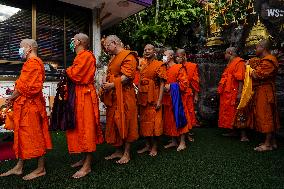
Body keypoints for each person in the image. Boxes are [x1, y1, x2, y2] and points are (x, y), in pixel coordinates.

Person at [0, 39, 52, 180]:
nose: (19, 50)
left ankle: (41, 168)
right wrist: (14, 99)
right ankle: (19, 166)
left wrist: (11, 98)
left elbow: (26, 87)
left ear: (29, 48)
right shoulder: (30, 63)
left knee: (35, 135)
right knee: (23, 135)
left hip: (31, 106)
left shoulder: (34, 63)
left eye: (21, 47)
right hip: (25, 104)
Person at [66, 33, 104, 178]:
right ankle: (83, 158)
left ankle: (87, 165)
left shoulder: (87, 56)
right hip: (78, 95)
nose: (71, 42)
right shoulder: (79, 56)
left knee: (87, 128)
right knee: (80, 127)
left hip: (86, 96)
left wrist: (67, 70)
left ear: (79, 42)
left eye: (73, 39)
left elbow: (77, 75)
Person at [101, 35, 139, 164]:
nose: (105, 48)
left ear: (114, 43)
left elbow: (127, 76)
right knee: (114, 122)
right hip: (113, 95)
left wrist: (112, 84)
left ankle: (127, 153)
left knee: (126, 121)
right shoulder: (113, 58)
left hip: (125, 94)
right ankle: (118, 150)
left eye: (107, 45)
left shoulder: (129, 55)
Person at [136, 44, 167, 156]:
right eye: (145, 50)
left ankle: (154, 147)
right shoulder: (142, 65)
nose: (147, 51)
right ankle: (147, 145)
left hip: (154, 97)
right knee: (144, 123)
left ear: (154, 52)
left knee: (155, 123)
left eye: (149, 49)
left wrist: (159, 100)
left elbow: (162, 83)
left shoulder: (159, 64)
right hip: (143, 97)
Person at [250, 39, 280, 151]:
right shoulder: (264, 60)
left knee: (266, 116)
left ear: (263, 48)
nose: (255, 49)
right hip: (262, 90)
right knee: (267, 115)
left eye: (257, 47)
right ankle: (272, 142)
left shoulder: (269, 61)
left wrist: (250, 70)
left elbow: (257, 75)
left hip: (265, 91)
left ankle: (267, 144)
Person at [162, 50, 191, 151]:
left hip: (178, 98)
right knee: (170, 120)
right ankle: (174, 141)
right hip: (167, 98)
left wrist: (171, 86)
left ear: (171, 56)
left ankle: (182, 142)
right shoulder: (164, 68)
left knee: (180, 117)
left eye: (164, 55)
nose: (163, 57)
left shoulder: (179, 67)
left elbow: (184, 84)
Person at [217, 47, 247, 141]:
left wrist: (239, 93)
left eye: (225, 53)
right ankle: (234, 131)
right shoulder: (230, 63)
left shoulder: (239, 62)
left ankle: (244, 135)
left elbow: (241, 79)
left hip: (235, 92)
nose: (224, 55)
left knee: (239, 112)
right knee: (231, 112)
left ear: (230, 53)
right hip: (228, 92)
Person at [176, 49, 200, 141]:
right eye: (176, 56)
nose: (178, 58)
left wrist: (196, 95)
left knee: (188, 113)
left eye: (179, 56)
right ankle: (179, 133)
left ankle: (187, 132)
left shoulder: (192, 66)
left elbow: (195, 81)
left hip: (188, 93)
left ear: (184, 55)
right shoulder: (175, 66)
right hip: (177, 94)